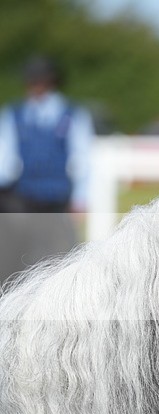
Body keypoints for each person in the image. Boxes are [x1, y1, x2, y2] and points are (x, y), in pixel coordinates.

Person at [0, 56, 94, 285]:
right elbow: (6, 158)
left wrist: (80, 198)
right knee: (12, 256)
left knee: (62, 258)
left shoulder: (72, 116)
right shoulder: (15, 115)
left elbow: (82, 158)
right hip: (23, 195)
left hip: (58, 196)